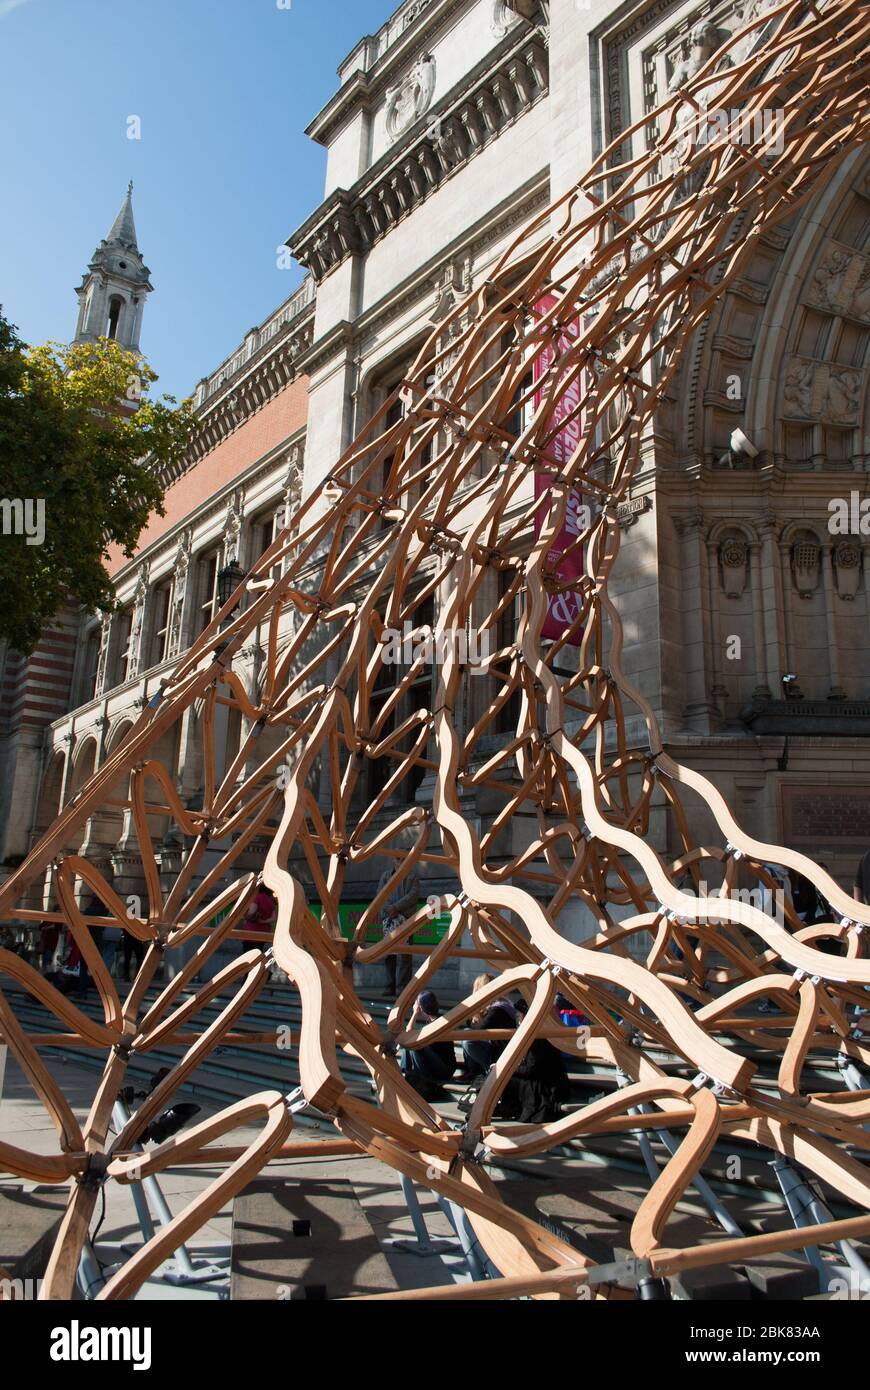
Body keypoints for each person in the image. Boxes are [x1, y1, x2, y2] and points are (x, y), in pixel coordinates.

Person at [459, 973, 520, 1082]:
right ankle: (473, 1072)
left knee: (468, 1038)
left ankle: (487, 1070)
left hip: (502, 1053)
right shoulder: (495, 1006)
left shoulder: (499, 1008)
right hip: (496, 1047)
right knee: (467, 1034)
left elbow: (480, 1028)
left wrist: (469, 1020)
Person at [401, 990, 457, 1101]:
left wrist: (414, 1014)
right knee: (410, 1042)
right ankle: (405, 1072)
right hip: (438, 1066)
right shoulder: (436, 1021)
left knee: (412, 1044)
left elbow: (408, 1032)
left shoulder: (437, 1023)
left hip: (444, 1069)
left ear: (421, 1008)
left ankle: (406, 1073)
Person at [376, 859, 420, 998]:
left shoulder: (413, 876)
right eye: (397, 859)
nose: (399, 862)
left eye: (402, 858)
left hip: (406, 919)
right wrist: (389, 909)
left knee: (405, 954)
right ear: (393, 860)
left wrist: (397, 907)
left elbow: (413, 896)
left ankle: (402, 988)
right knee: (389, 954)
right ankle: (390, 986)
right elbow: (380, 894)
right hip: (390, 919)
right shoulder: (385, 876)